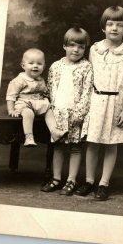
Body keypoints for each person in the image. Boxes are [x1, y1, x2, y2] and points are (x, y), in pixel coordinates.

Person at [75, 6, 123, 200]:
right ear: (103, 27)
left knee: (111, 144)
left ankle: (104, 183)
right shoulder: (95, 49)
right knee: (93, 142)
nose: (114, 28)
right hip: (96, 101)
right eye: (110, 24)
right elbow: (87, 76)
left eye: (119, 25)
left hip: (117, 102)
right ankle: (89, 180)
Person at [41, 27, 94, 196]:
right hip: (58, 113)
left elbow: (87, 92)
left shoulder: (86, 67)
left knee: (76, 147)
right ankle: (56, 179)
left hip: (76, 113)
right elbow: (49, 89)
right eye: (72, 45)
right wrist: (49, 110)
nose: (76, 50)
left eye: (81, 46)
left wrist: (80, 114)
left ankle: (71, 180)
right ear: (64, 46)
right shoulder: (56, 66)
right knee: (58, 147)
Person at [6, 48, 67, 147]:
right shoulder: (20, 79)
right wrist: (11, 109)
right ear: (23, 65)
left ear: (44, 67)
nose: (35, 66)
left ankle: (54, 131)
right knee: (28, 113)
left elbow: (45, 92)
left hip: (39, 102)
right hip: (25, 103)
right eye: (31, 63)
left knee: (49, 111)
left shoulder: (41, 79)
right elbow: (11, 95)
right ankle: (29, 137)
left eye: (39, 64)